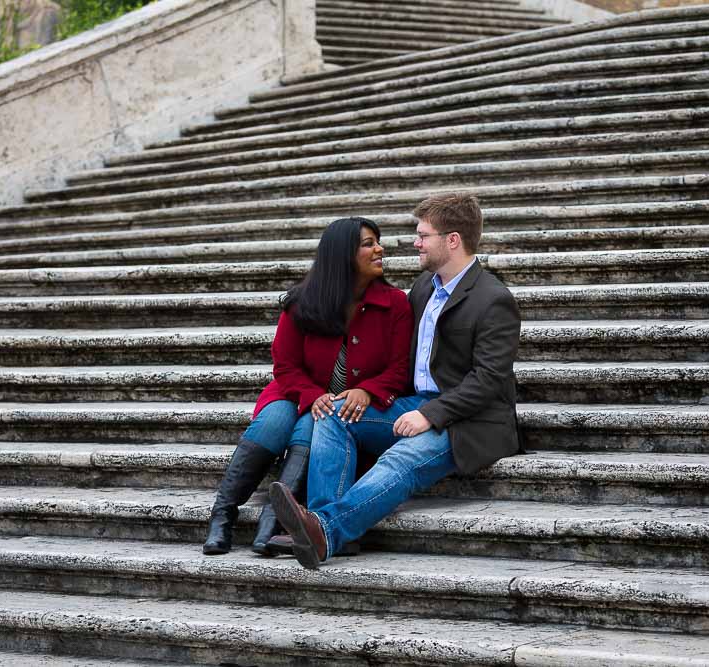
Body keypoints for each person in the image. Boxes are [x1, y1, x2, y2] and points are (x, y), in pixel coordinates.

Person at [269, 192, 522, 569]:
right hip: (413, 403)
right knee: (335, 413)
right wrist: (367, 391)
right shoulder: (423, 287)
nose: (414, 243)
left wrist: (431, 415)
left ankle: (325, 530)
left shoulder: (493, 298)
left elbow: (487, 381)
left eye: (423, 235)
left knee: (401, 456)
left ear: (452, 240)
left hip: (469, 421)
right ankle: (324, 529)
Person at [203, 217, 412, 556]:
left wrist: (368, 390)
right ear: (343, 253)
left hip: (342, 407)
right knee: (274, 423)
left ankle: (271, 525)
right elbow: (284, 365)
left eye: (378, 241)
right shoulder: (303, 302)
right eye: (368, 243)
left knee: (310, 426)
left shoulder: (395, 304)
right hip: (295, 391)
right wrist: (312, 395)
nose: (379, 249)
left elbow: (399, 368)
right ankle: (223, 515)